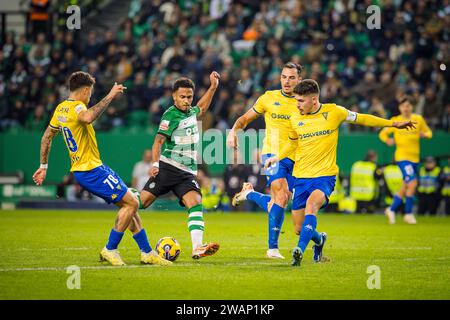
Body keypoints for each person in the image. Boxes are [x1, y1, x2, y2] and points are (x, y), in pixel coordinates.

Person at [264, 79, 415, 266]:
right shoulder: (296, 118)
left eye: (300, 101)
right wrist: (277, 157)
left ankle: (299, 251)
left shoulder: (334, 112)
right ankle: (319, 241)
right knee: (298, 228)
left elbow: (363, 118)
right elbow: (292, 143)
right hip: (301, 177)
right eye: (296, 101)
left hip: (324, 177)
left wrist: (392, 124)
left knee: (312, 206)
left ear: (313, 99)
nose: (297, 105)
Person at [32, 71, 171, 267]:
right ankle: (110, 249)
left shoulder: (60, 109)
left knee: (128, 203)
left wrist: (43, 166)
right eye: (91, 93)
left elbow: (46, 137)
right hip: (90, 169)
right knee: (132, 204)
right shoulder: (78, 106)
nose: (90, 97)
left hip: (91, 167)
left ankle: (147, 252)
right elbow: (88, 117)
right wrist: (110, 96)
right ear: (86, 90)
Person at [139, 72, 221, 259]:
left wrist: (213, 87)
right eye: (182, 97)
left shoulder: (191, 111)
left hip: (186, 173)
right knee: (141, 203)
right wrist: (155, 163)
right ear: (174, 96)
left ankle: (197, 248)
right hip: (168, 167)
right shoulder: (170, 116)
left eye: (189, 97)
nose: (186, 100)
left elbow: (201, 107)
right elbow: (158, 141)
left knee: (195, 203)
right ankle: (123, 203)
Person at [226, 62, 302, 259]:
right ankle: (272, 248)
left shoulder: (305, 102)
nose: (287, 81)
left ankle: (250, 194)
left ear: (299, 80)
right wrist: (233, 131)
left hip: (297, 156)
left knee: (282, 201)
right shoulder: (268, 98)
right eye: (284, 77)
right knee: (281, 195)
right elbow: (244, 119)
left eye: (292, 77)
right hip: (272, 154)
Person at [379, 97, 433, 224]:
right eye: (404, 106)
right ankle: (408, 213)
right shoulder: (395, 121)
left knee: (405, 186)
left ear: (411, 107)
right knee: (413, 183)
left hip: (415, 158)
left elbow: (429, 132)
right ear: (400, 108)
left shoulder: (418, 119)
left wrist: (425, 135)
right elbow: (382, 134)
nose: (406, 108)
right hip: (402, 158)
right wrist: (388, 140)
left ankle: (391, 209)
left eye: (408, 106)